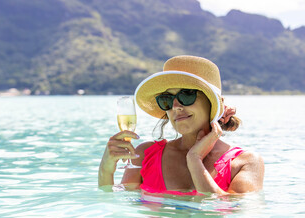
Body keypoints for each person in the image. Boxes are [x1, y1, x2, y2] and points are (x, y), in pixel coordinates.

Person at [98, 55, 264, 195]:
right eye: (167, 99)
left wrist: (195, 160)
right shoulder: (145, 155)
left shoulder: (245, 162)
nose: (176, 106)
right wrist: (106, 170)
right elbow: (118, 209)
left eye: (187, 95)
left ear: (212, 103)